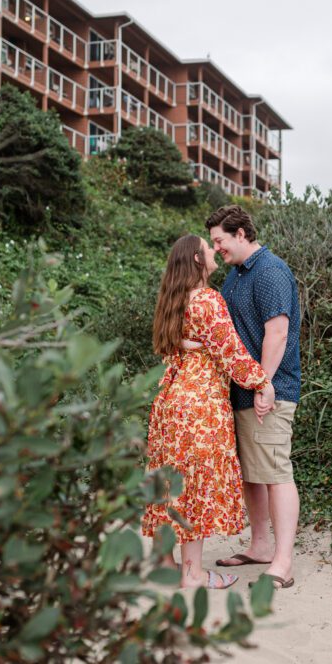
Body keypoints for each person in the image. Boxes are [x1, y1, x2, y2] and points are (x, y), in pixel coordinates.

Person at [142, 234, 276, 589]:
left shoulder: (173, 301)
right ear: (198, 260)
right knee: (196, 486)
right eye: (208, 248)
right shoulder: (208, 300)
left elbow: (170, 349)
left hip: (169, 403)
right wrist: (263, 382)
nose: (215, 251)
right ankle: (193, 573)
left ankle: (166, 564)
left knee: (169, 482)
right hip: (200, 404)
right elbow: (231, 353)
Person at [206, 205, 301, 590]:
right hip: (242, 393)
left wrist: (263, 383)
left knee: (276, 473)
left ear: (241, 233)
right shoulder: (235, 275)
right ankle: (261, 546)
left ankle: (283, 562)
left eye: (221, 241)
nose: (218, 249)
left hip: (270, 392)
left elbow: (277, 333)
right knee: (253, 475)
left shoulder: (270, 271)